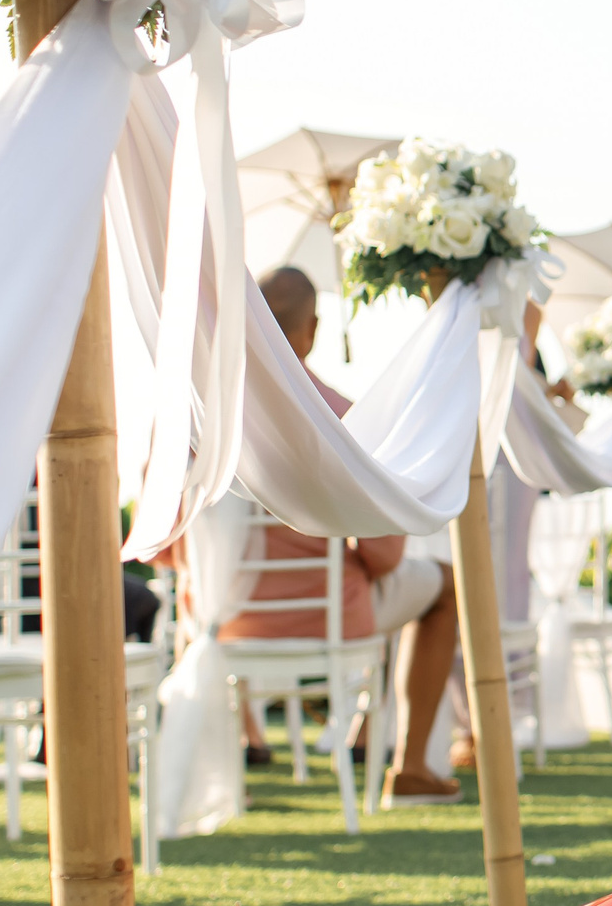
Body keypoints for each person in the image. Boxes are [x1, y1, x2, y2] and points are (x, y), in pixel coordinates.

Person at [168, 269, 465, 802]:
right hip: (329, 617)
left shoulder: (195, 421)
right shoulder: (344, 419)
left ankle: (253, 736)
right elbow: (384, 555)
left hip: (219, 623)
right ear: (314, 329)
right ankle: (410, 764)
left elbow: (167, 549)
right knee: (444, 588)